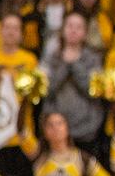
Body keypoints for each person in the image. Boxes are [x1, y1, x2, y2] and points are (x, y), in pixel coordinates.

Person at [0, 13, 41, 176]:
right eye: (7, 27)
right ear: (0, 31)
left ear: (21, 33)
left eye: (15, 28)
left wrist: (19, 84)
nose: (11, 32)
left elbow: (35, 94)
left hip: (22, 132)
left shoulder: (29, 60)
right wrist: (1, 85)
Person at [42, 12, 106, 159]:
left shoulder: (93, 59)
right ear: (63, 30)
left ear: (85, 33)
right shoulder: (52, 58)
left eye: (78, 27)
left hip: (87, 129)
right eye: (70, 26)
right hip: (56, 132)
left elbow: (94, 91)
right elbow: (46, 91)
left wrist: (75, 66)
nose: (73, 30)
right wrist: (64, 67)